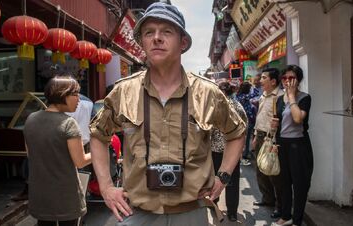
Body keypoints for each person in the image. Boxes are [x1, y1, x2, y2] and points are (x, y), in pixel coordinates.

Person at [89, 2, 246, 225]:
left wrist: (223, 177)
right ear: (142, 42)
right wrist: (105, 187)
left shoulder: (207, 93)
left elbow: (237, 132)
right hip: (137, 213)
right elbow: (98, 134)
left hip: (192, 213)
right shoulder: (123, 92)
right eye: (149, 32)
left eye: (167, 32)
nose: (157, 38)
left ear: (183, 42)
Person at [23, 75, 91, 226]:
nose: (79, 99)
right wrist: (100, 152)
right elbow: (80, 162)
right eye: (75, 94)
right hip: (65, 194)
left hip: (40, 193)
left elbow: (29, 154)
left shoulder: (31, 119)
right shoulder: (68, 123)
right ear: (62, 94)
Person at [271, 65, 313, 226]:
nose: (287, 81)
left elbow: (297, 118)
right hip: (282, 144)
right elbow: (278, 123)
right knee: (284, 183)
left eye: (291, 78)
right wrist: (274, 134)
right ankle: (285, 215)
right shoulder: (279, 100)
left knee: (300, 184)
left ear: (298, 80)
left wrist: (291, 96)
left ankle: (297, 220)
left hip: (299, 146)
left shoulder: (304, 98)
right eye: (284, 78)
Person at [211, 78, 247, 222]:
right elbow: (244, 126)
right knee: (232, 182)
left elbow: (210, 129)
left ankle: (214, 206)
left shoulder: (217, 107)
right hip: (233, 151)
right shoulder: (237, 105)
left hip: (216, 150)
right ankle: (232, 212)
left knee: (215, 179)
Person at [252, 68, 284, 219]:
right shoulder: (263, 95)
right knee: (260, 169)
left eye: (264, 78)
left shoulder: (280, 97)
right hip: (259, 135)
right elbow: (260, 116)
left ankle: (280, 205)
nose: (260, 80)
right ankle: (267, 199)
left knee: (274, 172)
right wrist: (254, 135)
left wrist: (272, 140)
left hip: (271, 138)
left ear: (273, 81)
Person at [235, 81, 257, 165]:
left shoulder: (238, 96)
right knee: (246, 139)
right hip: (247, 120)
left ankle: (242, 155)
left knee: (243, 138)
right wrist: (254, 86)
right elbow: (255, 93)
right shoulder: (245, 96)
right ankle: (244, 156)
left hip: (241, 120)